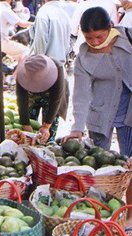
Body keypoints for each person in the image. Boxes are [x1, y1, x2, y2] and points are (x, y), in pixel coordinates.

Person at [63, 7, 131, 218]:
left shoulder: (127, 38)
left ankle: (129, 214)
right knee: (98, 168)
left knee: (129, 166)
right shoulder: (83, 55)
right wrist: (77, 129)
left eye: (98, 36)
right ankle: (99, 214)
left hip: (129, 112)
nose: (93, 41)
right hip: (100, 114)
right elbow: (81, 94)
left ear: (109, 27)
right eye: (88, 37)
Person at [16, 55, 69, 143]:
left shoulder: (57, 68)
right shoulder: (24, 70)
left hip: (51, 96)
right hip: (32, 95)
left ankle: (47, 146)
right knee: (29, 127)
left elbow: (56, 100)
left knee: (47, 134)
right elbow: (21, 98)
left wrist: (46, 126)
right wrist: (26, 124)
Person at [29, 0, 72, 65]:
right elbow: (68, 43)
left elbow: (40, 40)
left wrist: (38, 62)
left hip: (45, 65)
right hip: (60, 64)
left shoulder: (43, 13)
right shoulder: (64, 14)